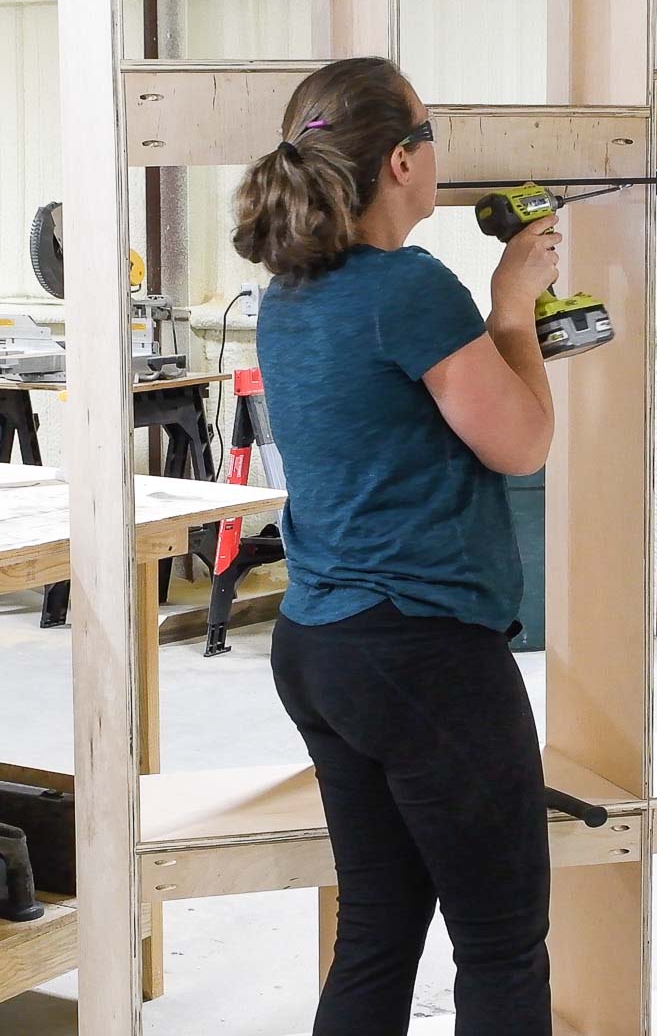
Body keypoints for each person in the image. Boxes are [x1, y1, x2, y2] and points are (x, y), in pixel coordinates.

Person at [231, 56, 558, 1036]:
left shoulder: (288, 292)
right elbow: (522, 442)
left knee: (377, 927)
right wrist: (513, 310)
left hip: (322, 649)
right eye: (431, 133)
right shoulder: (410, 287)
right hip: (423, 656)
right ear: (406, 163)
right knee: (501, 942)